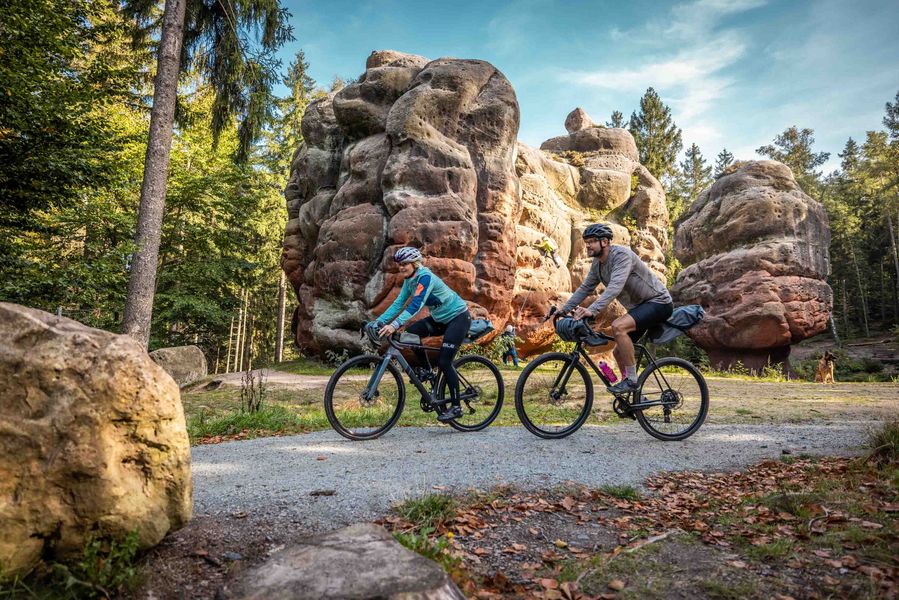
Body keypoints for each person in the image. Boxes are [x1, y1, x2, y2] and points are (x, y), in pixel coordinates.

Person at [559, 223, 673, 394]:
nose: (587, 245)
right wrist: (563, 309)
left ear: (605, 242)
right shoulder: (598, 265)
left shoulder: (621, 255)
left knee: (618, 327)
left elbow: (615, 287)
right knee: (619, 352)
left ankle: (632, 381)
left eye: (591, 241)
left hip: (658, 302)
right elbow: (585, 288)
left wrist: (592, 310)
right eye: (586, 241)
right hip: (640, 307)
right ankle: (632, 392)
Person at [376, 247, 472, 421]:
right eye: (399, 264)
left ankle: (456, 407)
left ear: (414, 263)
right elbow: (398, 304)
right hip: (440, 319)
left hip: (458, 318)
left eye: (405, 264)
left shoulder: (425, 277)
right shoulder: (409, 281)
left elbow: (415, 306)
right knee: (409, 335)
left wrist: (394, 324)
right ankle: (428, 371)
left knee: (444, 361)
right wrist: (377, 323)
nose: (401, 267)